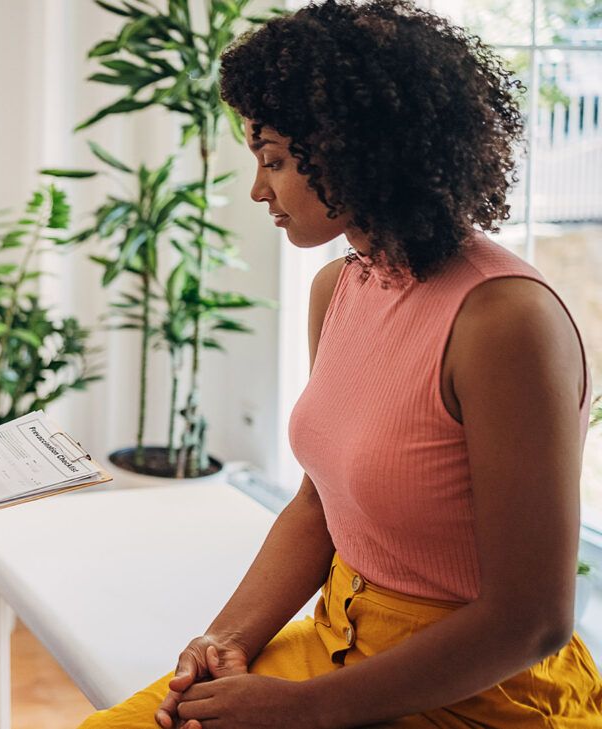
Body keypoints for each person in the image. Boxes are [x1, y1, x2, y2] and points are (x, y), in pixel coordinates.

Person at [80, 1, 601, 727]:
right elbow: (318, 503)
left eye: (274, 160)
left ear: (354, 150)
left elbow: (532, 618)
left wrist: (309, 709)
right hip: (338, 643)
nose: (260, 189)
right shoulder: (341, 287)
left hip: (480, 690)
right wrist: (226, 637)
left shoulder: (505, 321)